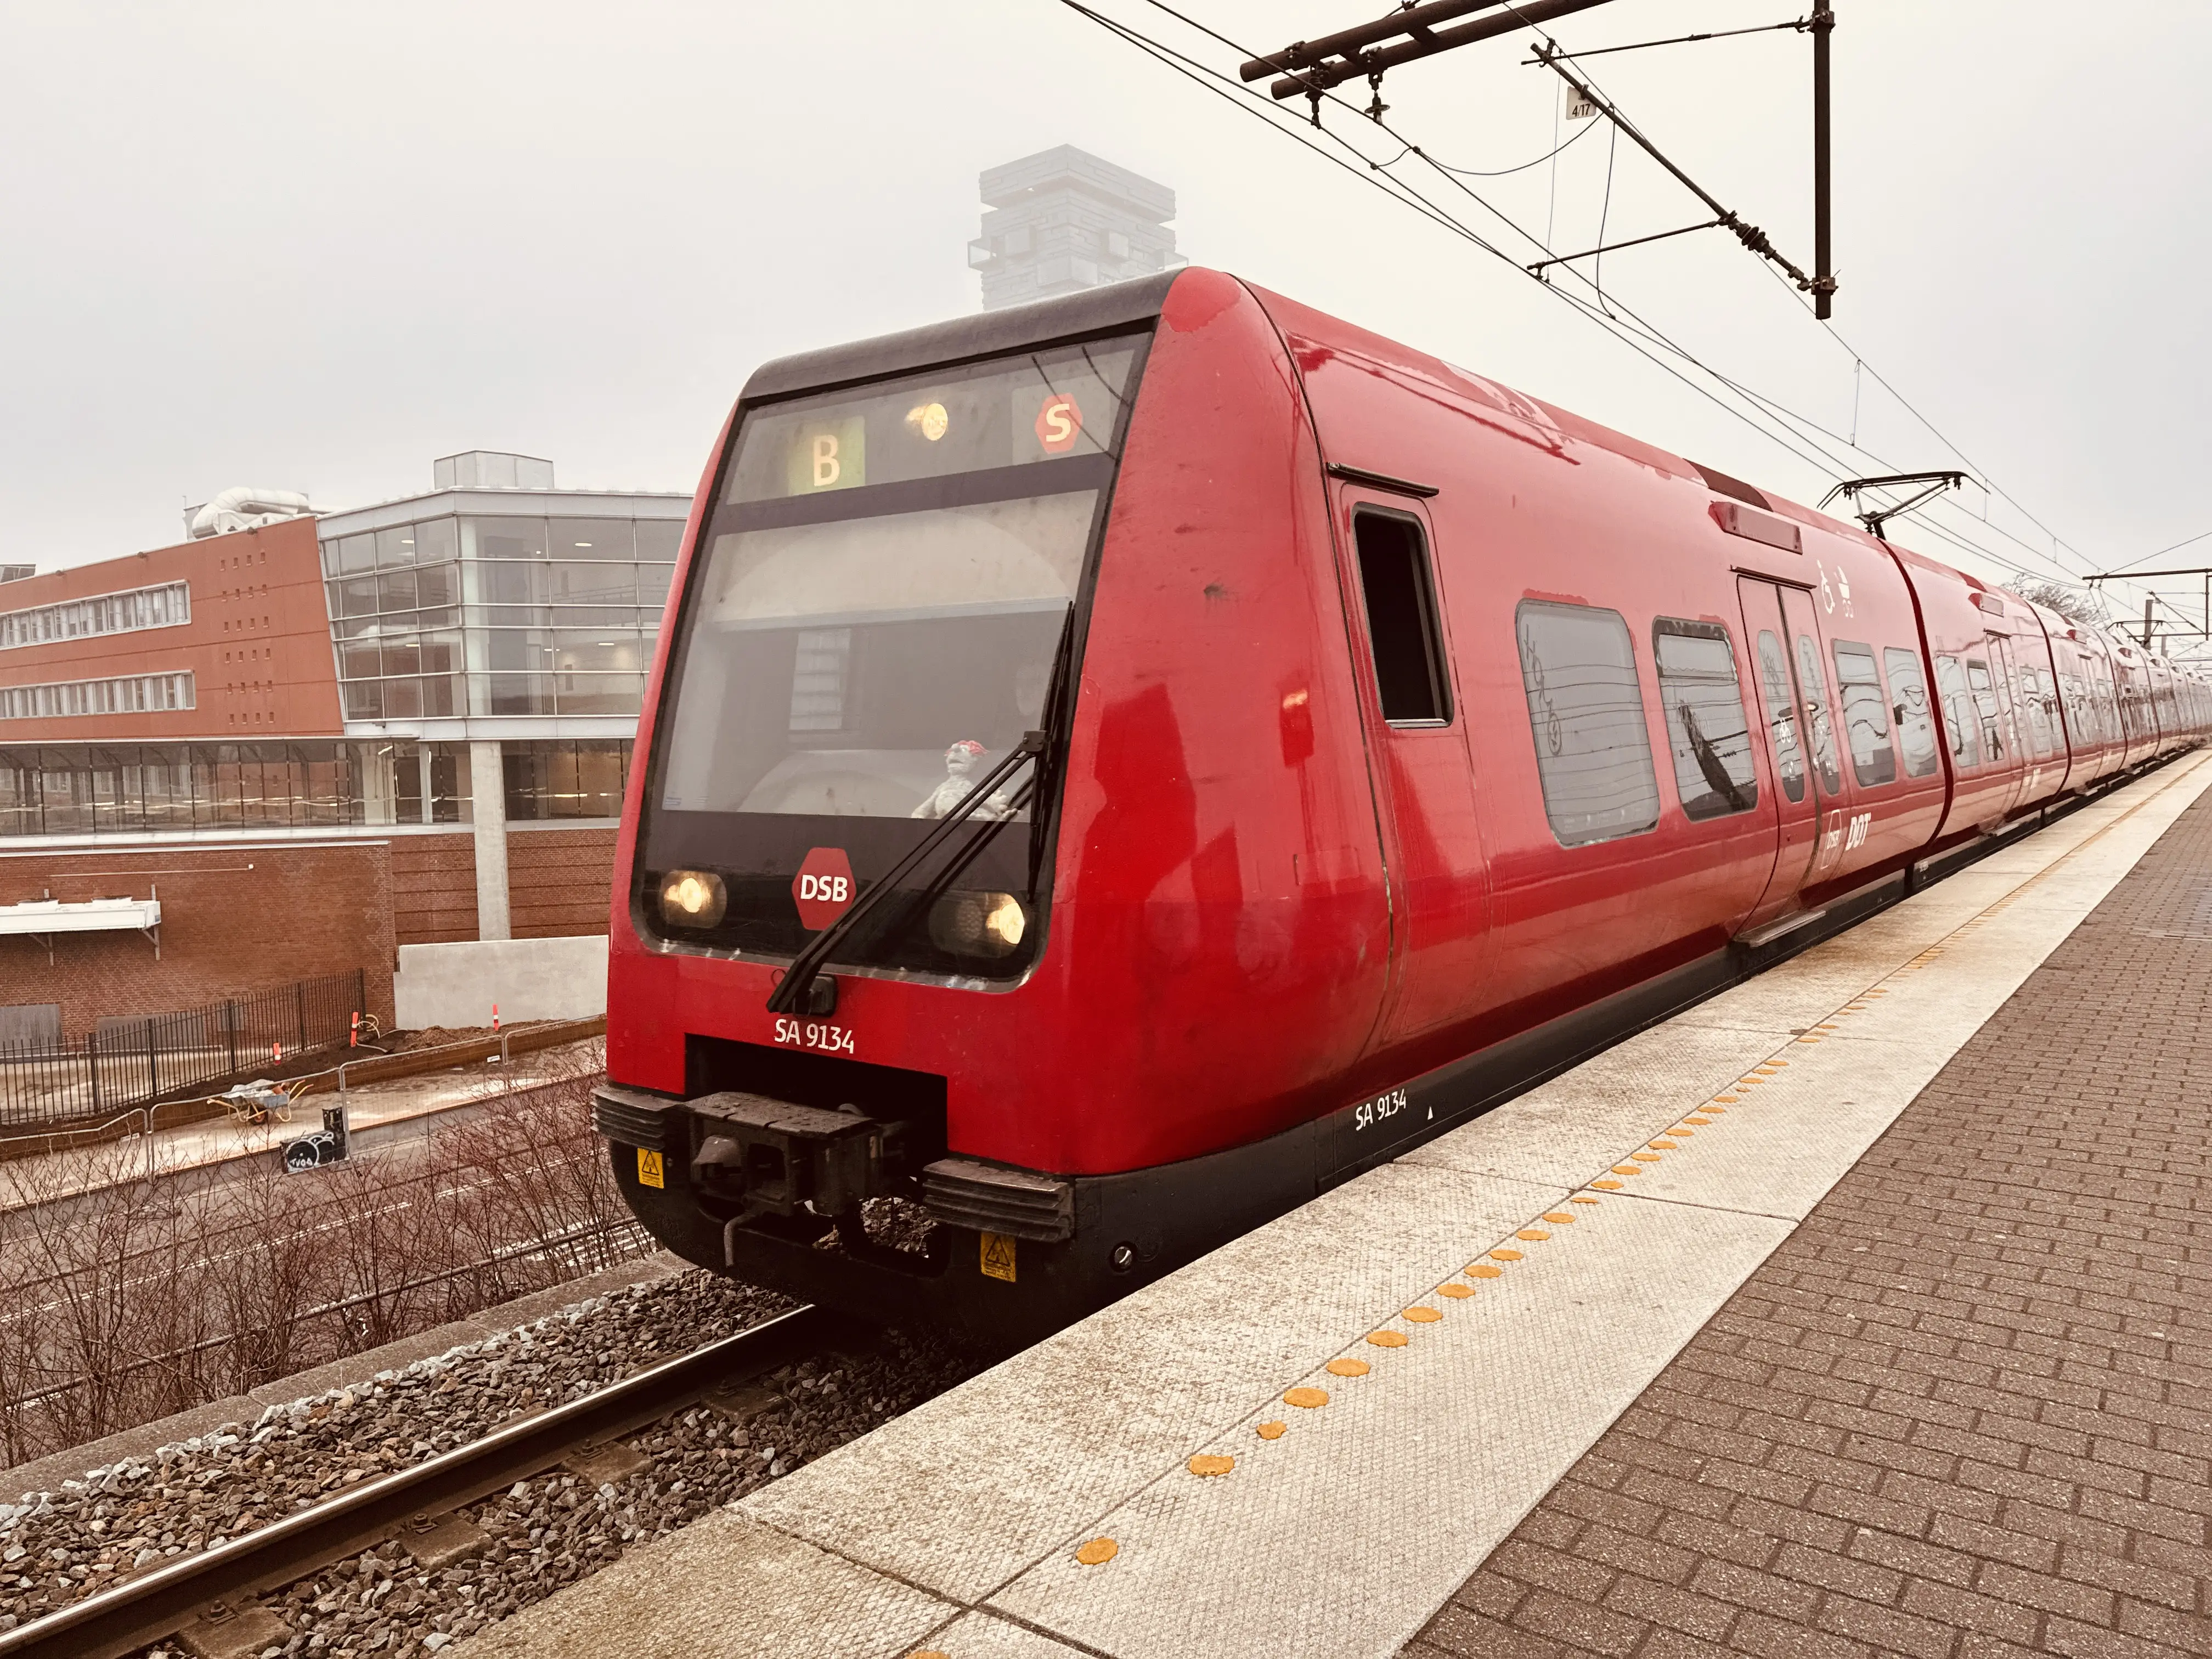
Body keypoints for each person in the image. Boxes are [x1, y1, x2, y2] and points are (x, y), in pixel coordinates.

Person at [912, 740, 1013, 820]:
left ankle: (991, 821)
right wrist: (919, 817)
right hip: (942, 827)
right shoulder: (943, 787)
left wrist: (994, 802)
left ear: (974, 763)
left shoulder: (966, 785)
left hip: (965, 821)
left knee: (980, 815)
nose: (955, 749)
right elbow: (927, 806)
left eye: (964, 751)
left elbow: (980, 795)